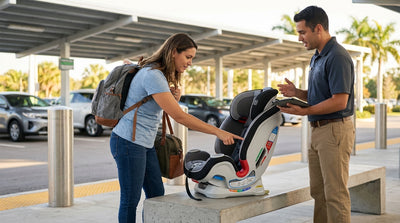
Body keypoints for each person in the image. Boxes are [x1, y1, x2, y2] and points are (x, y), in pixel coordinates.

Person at [110, 33, 243, 223]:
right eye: (188, 57)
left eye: (192, 59)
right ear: (174, 52)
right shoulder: (153, 75)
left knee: (156, 194)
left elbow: (157, 107)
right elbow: (179, 116)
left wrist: (174, 99)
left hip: (144, 142)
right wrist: (218, 131)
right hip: (128, 142)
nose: (190, 63)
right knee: (130, 200)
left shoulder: (157, 74)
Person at [277, 6, 355, 223]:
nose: (300, 38)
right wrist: (297, 93)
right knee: (319, 193)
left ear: (318, 28)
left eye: (302, 32)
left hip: (334, 131)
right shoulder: (317, 57)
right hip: (318, 130)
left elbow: (340, 100)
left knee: (335, 195)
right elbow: (320, 95)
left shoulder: (337, 56)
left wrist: (305, 111)